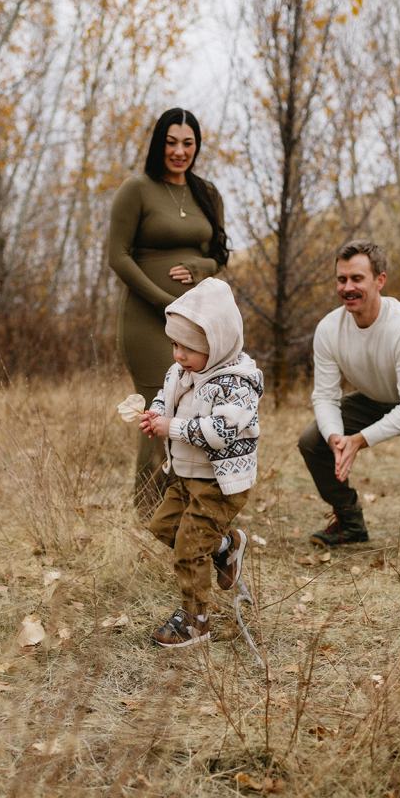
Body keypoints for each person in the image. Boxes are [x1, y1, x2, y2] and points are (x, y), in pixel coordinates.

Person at [298, 239, 400, 555]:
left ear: (379, 280)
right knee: (312, 441)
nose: (347, 287)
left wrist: (358, 440)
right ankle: (349, 523)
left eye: (357, 278)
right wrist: (335, 438)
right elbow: (326, 396)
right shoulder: (329, 329)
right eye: (341, 279)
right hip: (372, 399)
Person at [109, 108, 229, 519]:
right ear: (159, 143)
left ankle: (191, 511)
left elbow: (218, 257)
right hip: (148, 320)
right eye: (171, 142)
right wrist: (165, 301)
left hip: (198, 322)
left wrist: (200, 270)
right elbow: (118, 257)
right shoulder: (136, 189)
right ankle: (147, 514)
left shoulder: (207, 194)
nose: (179, 151)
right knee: (158, 411)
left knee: (199, 410)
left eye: (188, 143)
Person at [139, 277, 264, 648]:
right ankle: (225, 546)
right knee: (164, 527)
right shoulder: (182, 371)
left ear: (219, 342)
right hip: (184, 475)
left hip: (218, 484)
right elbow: (166, 397)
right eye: (175, 344)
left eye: (189, 348)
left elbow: (221, 431)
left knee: (190, 548)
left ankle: (196, 621)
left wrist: (171, 427)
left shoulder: (235, 383)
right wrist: (156, 413)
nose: (179, 355)